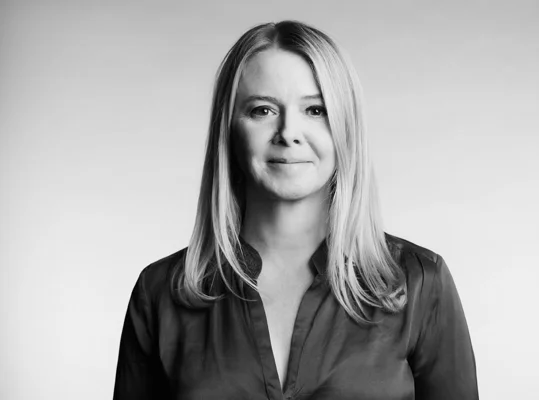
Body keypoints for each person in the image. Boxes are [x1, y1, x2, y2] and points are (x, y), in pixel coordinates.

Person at [113, 20, 478, 400]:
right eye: (263, 110)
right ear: (229, 130)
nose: (288, 132)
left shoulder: (420, 282)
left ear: (346, 128)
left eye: (316, 110)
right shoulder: (160, 293)